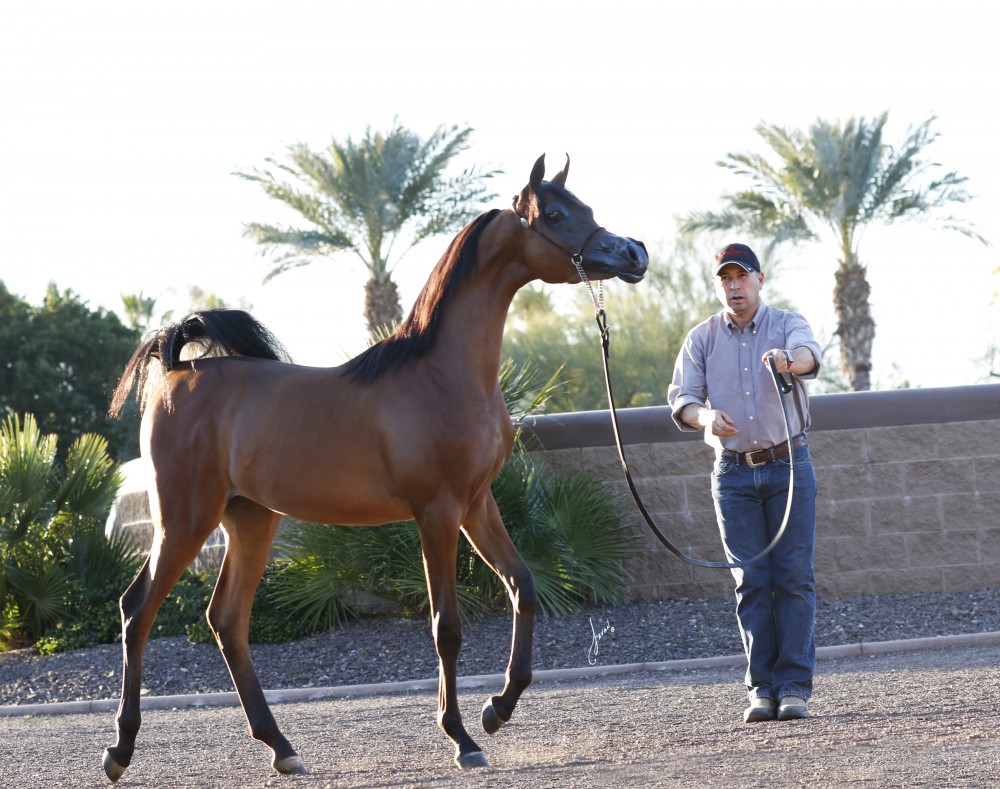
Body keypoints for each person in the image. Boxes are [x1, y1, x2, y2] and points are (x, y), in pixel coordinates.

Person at [667, 242, 821, 723]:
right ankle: (761, 690)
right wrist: (706, 416)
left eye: (741, 277)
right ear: (719, 286)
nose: (734, 286)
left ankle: (793, 688)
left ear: (759, 280)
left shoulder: (787, 324)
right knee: (750, 582)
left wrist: (788, 361)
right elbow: (682, 400)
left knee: (793, 578)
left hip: (789, 466)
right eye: (725, 279)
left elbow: (809, 356)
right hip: (732, 474)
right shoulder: (701, 338)